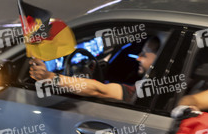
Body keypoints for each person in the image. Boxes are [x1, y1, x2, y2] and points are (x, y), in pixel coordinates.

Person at [29, 37, 161, 103]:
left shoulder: (139, 91)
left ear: (158, 59)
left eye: (144, 55)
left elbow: (98, 90)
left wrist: (51, 77)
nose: (137, 58)